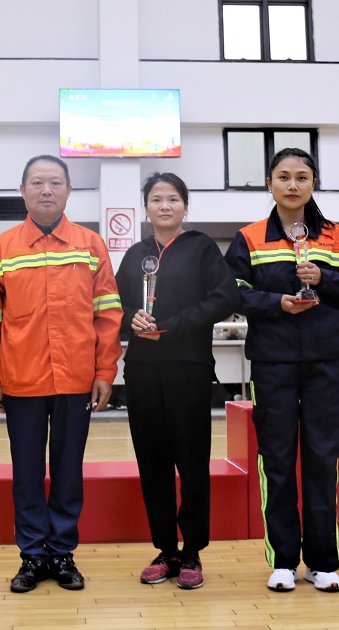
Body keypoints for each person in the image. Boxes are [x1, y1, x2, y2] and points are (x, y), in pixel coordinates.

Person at [0, 155, 122, 594]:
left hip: (78, 379)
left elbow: (108, 314)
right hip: (21, 380)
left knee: (69, 471)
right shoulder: (2, 249)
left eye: (56, 182)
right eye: (37, 183)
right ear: (23, 191)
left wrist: (105, 370)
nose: (47, 190)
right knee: (27, 473)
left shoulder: (91, 245)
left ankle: (62, 553)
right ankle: (33, 555)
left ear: (69, 190)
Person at [226, 148, 339, 593]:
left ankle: (322, 562)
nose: (292, 184)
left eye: (302, 176)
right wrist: (277, 303)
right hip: (273, 363)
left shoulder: (336, 236)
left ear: (313, 184)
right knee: (278, 460)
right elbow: (231, 291)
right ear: (269, 183)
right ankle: (284, 561)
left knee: (323, 459)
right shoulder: (249, 238)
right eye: (284, 176)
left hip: (326, 362)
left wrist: (325, 280)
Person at [115, 172, 239, 590]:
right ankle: (166, 549)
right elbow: (115, 303)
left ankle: (192, 551)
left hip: (188, 366)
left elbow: (224, 298)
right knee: (152, 462)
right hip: (142, 369)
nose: (164, 206)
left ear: (185, 206)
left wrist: (172, 327)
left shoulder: (202, 248)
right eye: (156, 199)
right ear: (146, 207)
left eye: (173, 199)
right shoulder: (135, 254)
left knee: (191, 461)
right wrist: (131, 318)